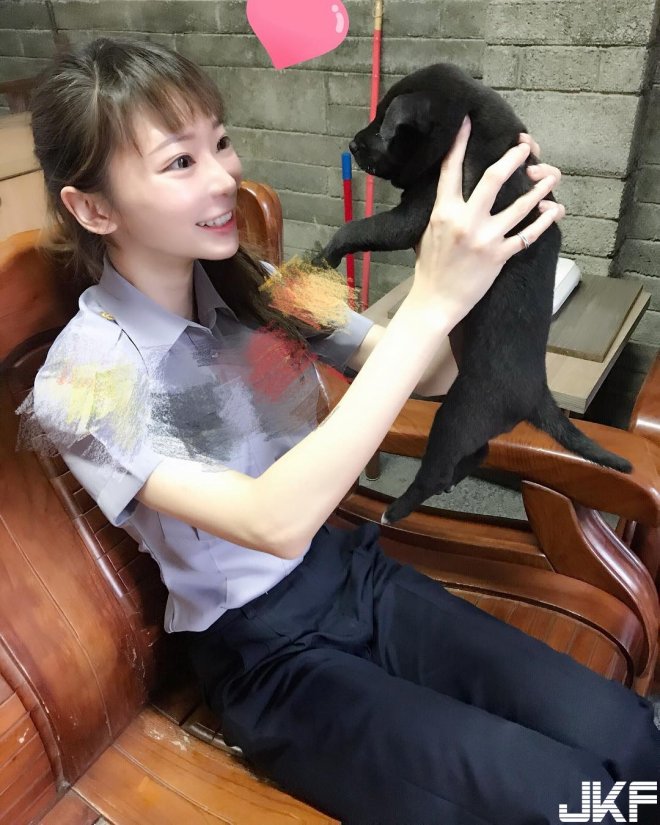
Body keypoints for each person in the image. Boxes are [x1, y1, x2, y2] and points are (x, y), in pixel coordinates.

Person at [16, 37, 659, 825]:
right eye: (180, 161)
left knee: (628, 735)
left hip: (352, 572)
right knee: (579, 803)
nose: (224, 176)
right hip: (267, 654)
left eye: (220, 142)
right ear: (93, 207)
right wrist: (430, 298)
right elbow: (271, 520)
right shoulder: (81, 376)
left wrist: (485, 272)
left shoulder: (264, 283)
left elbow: (422, 368)